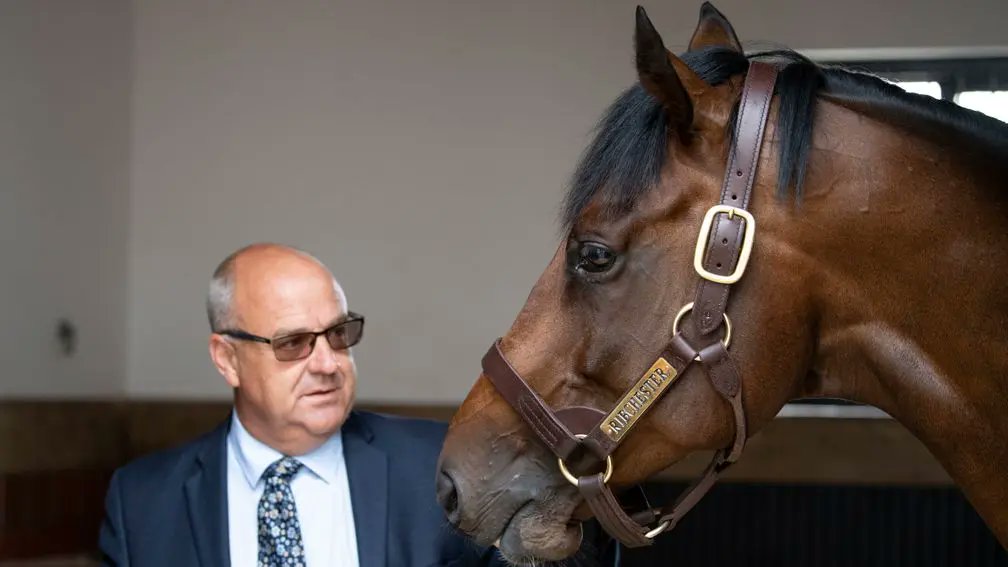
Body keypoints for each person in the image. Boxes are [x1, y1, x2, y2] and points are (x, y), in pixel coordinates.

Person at [98, 243, 501, 566]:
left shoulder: (442, 464)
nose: (328, 364)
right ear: (227, 359)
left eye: (338, 334)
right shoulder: (142, 501)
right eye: (292, 343)